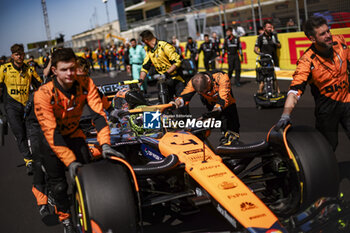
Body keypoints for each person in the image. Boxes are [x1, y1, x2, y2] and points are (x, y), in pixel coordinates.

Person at [33, 48, 122, 233]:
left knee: (87, 176)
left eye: (72, 68)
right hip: (51, 141)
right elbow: (52, 132)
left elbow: (98, 115)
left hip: (74, 134)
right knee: (58, 186)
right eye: (64, 69)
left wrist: (105, 144)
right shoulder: (43, 94)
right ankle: (66, 220)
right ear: (54, 71)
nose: (70, 73)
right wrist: (70, 161)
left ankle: (90, 213)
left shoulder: (86, 83)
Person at [275, 16, 350, 151]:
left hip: (347, 100)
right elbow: (294, 90)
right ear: (312, 38)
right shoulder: (307, 61)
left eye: (328, 31)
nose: (328, 36)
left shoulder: (339, 42)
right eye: (322, 34)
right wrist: (285, 115)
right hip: (327, 110)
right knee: (327, 148)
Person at [0, 44, 42, 175]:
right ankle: (28, 160)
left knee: (33, 132)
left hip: (26, 105)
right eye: (17, 54)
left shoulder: (29, 70)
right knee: (20, 133)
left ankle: (38, 156)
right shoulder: (4, 69)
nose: (20, 57)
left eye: (22, 54)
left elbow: (40, 87)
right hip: (11, 107)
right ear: (12, 55)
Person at [172, 71, 240, 146]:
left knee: (231, 124)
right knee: (207, 124)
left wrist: (212, 114)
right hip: (210, 103)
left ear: (209, 80)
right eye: (202, 93)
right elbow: (184, 96)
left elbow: (223, 101)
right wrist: (176, 103)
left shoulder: (222, 78)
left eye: (207, 90)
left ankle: (232, 141)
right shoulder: (194, 81)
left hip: (226, 101)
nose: (207, 93)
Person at [139, 30, 186, 102]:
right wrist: (140, 82)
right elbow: (145, 67)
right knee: (164, 106)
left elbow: (177, 62)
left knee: (182, 106)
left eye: (143, 41)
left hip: (176, 79)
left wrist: (166, 74)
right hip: (164, 82)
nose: (143, 44)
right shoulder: (149, 51)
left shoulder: (165, 46)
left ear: (146, 40)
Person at [254, 21, 281, 93]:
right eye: (268, 27)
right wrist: (260, 53)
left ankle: (278, 92)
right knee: (263, 79)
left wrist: (275, 42)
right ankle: (260, 92)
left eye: (271, 27)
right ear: (264, 28)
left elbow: (279, 46)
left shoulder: (274, 35)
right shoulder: (260, 37)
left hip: (272, 60)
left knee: (274, 77)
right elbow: (255, 49)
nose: (270, 29)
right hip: (264, 60)